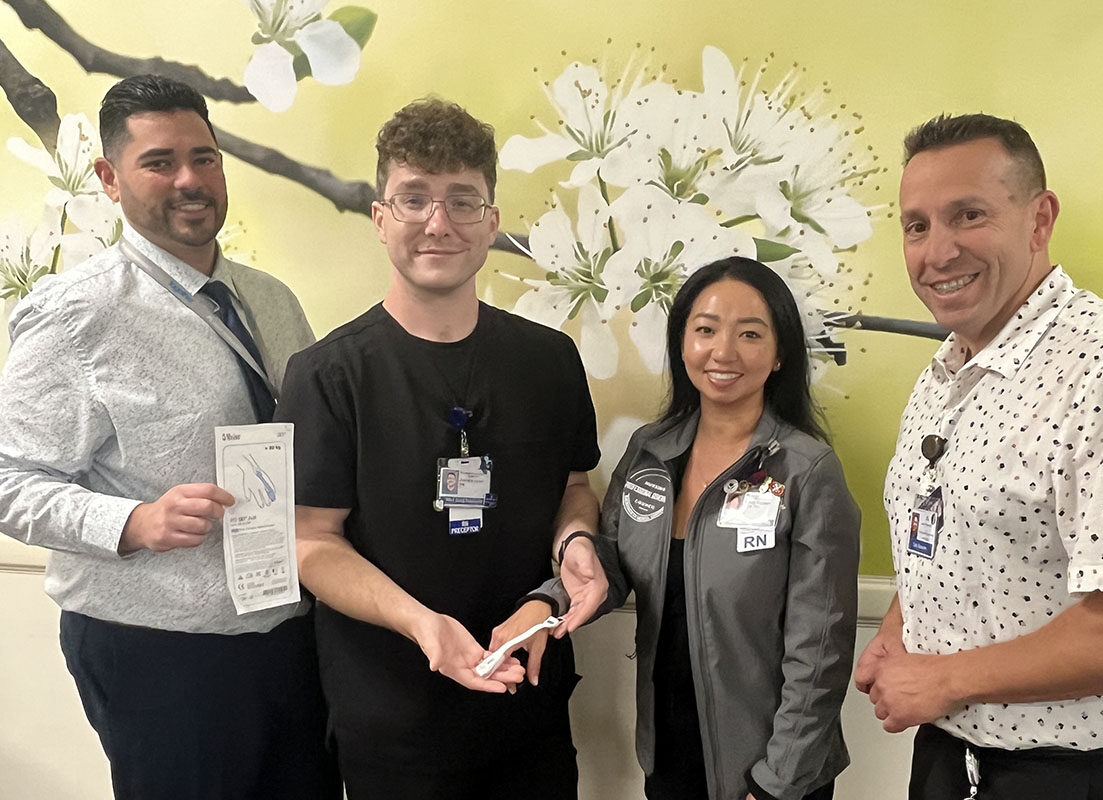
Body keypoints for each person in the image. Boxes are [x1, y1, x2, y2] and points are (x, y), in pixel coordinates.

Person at [0, 75, 339, 799]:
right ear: (109, 178)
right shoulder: (72, 315)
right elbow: (10, 483)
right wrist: (134, 521)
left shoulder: (272, 300)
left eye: (204, 158)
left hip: (289, 634)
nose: (189, 180)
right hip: (161, 654)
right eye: (159, 162)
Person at [854, 113, 1103, 799]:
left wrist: (944, 676)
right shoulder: (946, 372)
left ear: (1039, 220)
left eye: (969, 215)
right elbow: (957, 534)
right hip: (953, 758)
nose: (937, 251)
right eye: (916, 225)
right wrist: (901, 627)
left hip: (1085, 778)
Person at [273, 97, 606, 800]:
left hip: (530, 708)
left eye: (462, 200)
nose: (438, 222)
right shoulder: (328, 375)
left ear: (491, 221)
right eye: (414, 198)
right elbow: (310, 543)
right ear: (379, 217)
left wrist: (575, 541)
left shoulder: (549, 361)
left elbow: (575, 487)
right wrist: (425, 626)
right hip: (394, 725)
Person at [574, 257, 861, 800]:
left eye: (750, 334)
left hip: (769, 769)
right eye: (705, 330)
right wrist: (544, 604)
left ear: (780, 355)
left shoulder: (806, 470)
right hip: (670, 751)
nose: (723, 352)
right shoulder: (650, 451)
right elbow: (607, 562)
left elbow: (820, 646)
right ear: (683, 344)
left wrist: (777, 781)